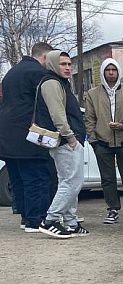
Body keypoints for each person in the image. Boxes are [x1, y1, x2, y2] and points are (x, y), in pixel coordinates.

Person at [0, 42, 55, 233]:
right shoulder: (38, 73)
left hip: (7, 136)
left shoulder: (11, 73)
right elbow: (45, 104)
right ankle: (35, 219)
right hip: (28, 135)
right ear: (45, 57)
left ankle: (25, 217)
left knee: (18, 179)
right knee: (37, 177)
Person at [85, 58, 123, 225]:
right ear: (103, 72)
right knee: (107, 179)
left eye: (114, 70)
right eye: (108, 70)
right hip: (102, 143)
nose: (111, 73)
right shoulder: (92, 94)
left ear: (119, 72)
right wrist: (93, 141)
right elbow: (89, 119)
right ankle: (112, 209)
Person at [35, 50, 88, 239]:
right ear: (52, 64)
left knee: (70, 182)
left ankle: (71, 222)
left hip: (69, 140)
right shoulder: (51, 83)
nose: (67, 68)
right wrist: (71, 137)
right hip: (66, 141)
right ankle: (50, 220)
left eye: (69, 64)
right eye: (62, 64)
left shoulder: (60, 82)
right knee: (71, 182)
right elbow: (57, 114)